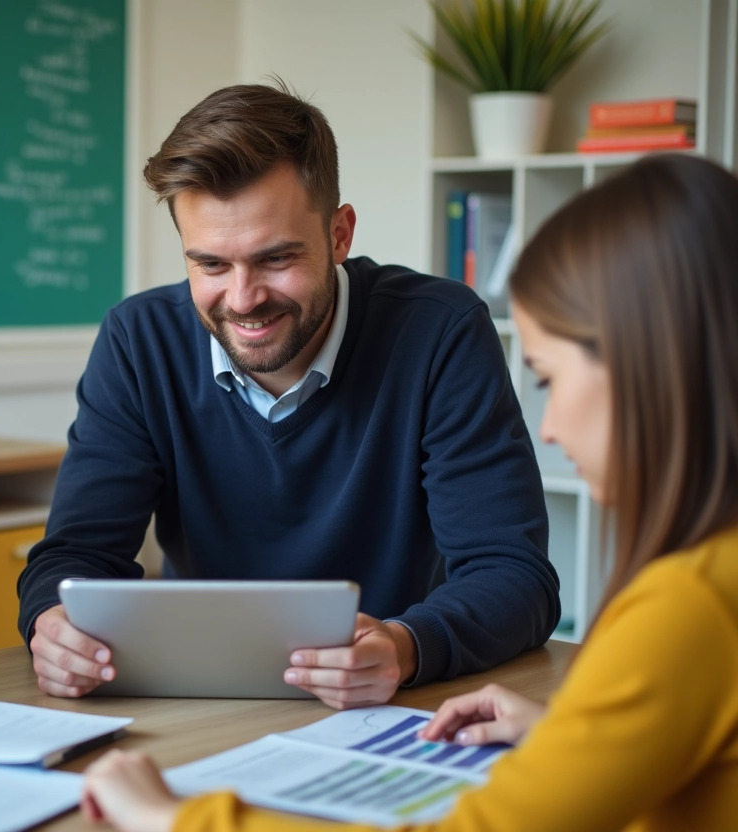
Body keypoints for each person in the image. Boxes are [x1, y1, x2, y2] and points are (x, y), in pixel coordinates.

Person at [79, 151, 738, 831]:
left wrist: (176, 820)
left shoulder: (689, 607)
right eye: (210, 264)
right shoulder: (710, 586)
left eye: (547, 378)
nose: (549, 427)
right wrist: (573, 743)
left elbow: (515, 575)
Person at [17, 81, 559, 706]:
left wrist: (405, 646)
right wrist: (50, 625)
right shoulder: (138, 340)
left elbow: (515, 576)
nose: (243, 298)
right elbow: (74, 555)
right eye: (210, 265)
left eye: (276, 259)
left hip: (388, 710)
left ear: (339, 234)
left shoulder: (439, 330)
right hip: (191, 706)